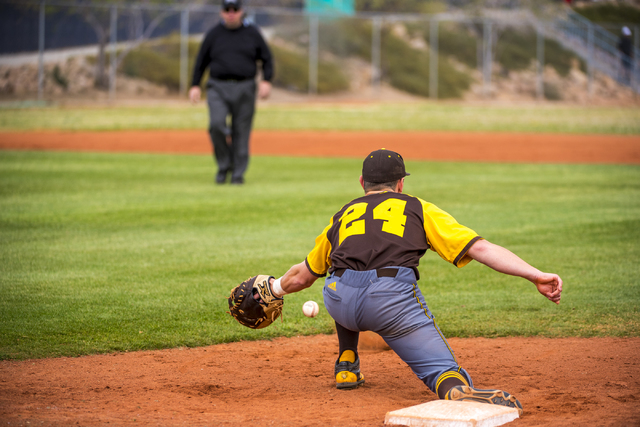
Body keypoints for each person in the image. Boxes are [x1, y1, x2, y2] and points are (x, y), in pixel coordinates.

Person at [262, 148, 563, 415]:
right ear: (401, 183)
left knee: (340, 275)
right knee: (442, 372)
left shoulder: (343, 214)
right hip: (389, 303)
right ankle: (454, 388)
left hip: (338, 300)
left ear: (362, 183)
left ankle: (347, 365)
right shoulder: (417, 207)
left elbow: (303, 275)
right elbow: (480, 249)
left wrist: (273, 287)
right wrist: (534, 274)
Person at [189, 0, 274, 185]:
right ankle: (223, 165)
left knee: (241, 132)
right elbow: (201, 61)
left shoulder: (252, 33)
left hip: (245, 87)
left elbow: (267, 58)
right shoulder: (214, 34)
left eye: (235, 9)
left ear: (241, 11)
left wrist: (266, 80)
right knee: (216, 125)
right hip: (217, 86)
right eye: (227, 9)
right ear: (221, 12)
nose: (231, 13)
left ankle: (237, 173)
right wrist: (195, 84)